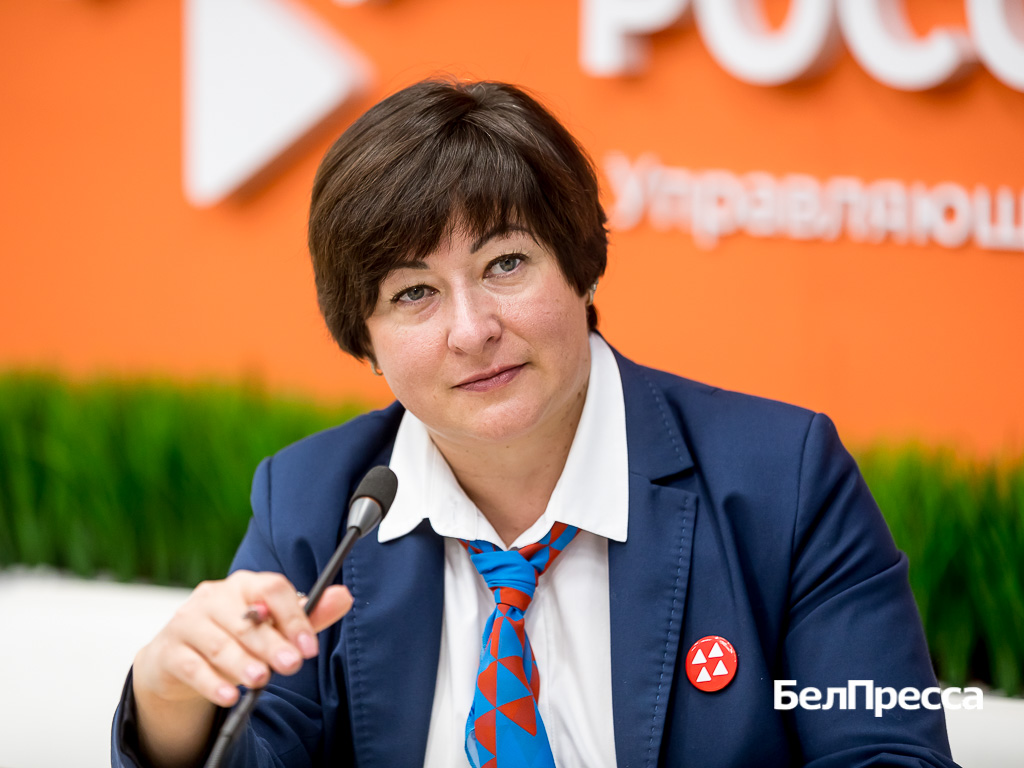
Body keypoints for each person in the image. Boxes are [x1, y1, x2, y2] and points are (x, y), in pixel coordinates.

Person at [112, 78, 959, 768]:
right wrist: (166, 699)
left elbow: (887, 752)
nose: (472, 329)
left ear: (582, 267)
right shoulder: (315, 506)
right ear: (363, 340)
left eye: (506, 263)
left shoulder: (785, 481)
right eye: (414, 293)